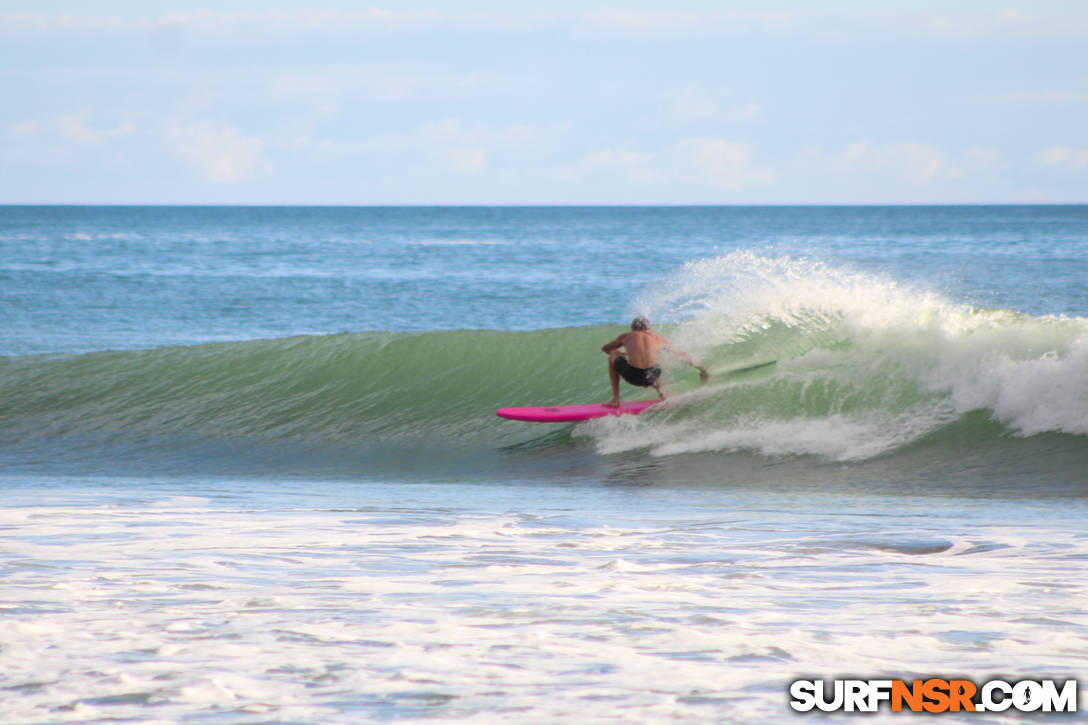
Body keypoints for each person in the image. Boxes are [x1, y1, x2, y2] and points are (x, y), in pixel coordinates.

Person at [601, 316, 708, 407]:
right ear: (647, 328)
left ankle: (615, 399)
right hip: (650, 378)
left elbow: (606, 349)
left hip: (633, 376)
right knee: (653, 366)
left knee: (612, 356)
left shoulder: (627, 335)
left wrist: (621, 352)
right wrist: (701, 368)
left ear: (636, 327)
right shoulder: (659, 338)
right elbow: (681, 354)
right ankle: (662, 394)